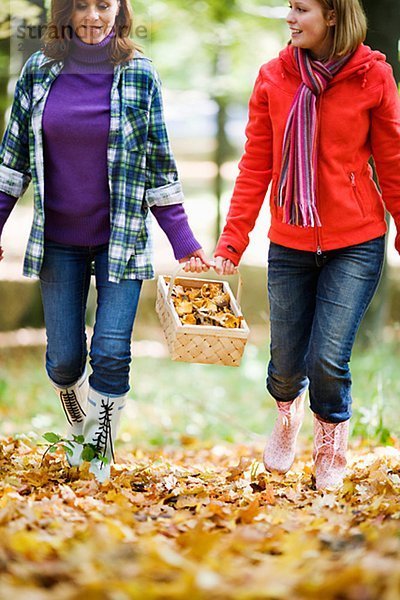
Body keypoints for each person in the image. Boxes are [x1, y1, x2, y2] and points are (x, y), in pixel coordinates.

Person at [0, 0, 210, 482]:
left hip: (123, 240)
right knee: (65, 359)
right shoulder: (40, 70)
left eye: (105, 5)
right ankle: (77, 414)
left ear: (120, 9)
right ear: (66, 11)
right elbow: (12, 162)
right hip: (58, 241)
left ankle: (97, 446)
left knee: (112, 351)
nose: (94, 17)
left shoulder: (139, 74)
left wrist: (185, 243)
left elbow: (160, 162)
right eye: (83, 6)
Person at [214, 0, 400, 490]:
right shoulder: (274, 77)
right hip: (291, 241)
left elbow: (393, 159)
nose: (290, 18)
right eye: (289, 8)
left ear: (333, 15)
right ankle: (285, 412)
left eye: (302, 8)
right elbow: (256, 164)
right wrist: (232, 242)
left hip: (356, 240)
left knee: (327, 358)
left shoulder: (372, 77)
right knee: (285, 363)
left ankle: (331, 439)